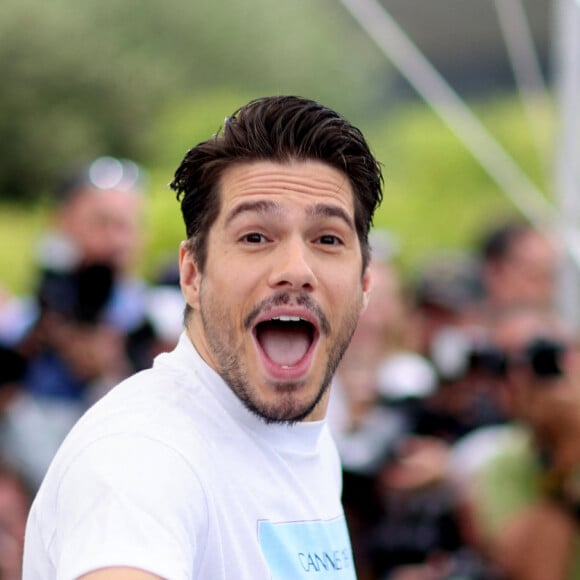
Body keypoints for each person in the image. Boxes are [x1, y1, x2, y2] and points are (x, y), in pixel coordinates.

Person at [22, 95, 384, 579]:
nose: (296, 270)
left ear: (364, 283)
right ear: (191, 274)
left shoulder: (307, 443)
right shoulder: (141, 456)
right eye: (255, 237)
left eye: (328, 239)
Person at [453, 306, 580, 579]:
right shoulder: (503, 464)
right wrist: (562, 460)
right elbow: (537, 572)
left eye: (542, 360)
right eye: (504, 367)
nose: (523, 379)